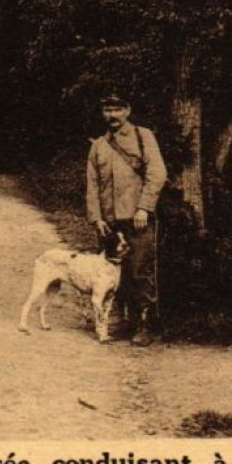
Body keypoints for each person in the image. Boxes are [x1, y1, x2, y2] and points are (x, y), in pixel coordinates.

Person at [85, 94, 168, 346]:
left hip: (137, 218)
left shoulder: (143, 136)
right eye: (107, 110)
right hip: (110, 223)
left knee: (140, 270)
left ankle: (145, 325)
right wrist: (96, 218)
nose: (111, 115)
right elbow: (92, 185)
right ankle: (122, 320)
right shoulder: (99, 145)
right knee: (112, 273)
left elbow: (157, 173)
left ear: (127, 110)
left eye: (117, 109)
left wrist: (144, 207)